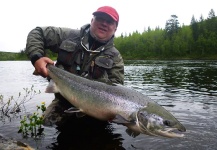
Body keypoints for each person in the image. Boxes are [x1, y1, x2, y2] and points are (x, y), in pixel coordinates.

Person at [26, 6, 124, 126]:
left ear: (115, 28)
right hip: (63, 101)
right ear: (92, 20)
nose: (104, 23)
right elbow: (37, 33)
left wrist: (115, 112)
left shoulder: (115, 57)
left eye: (109, 21)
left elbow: (117, 88)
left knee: (98, 139)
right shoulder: (68, 36)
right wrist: (37, 58)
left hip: (97, 110)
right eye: (100, 18)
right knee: (47, 126)